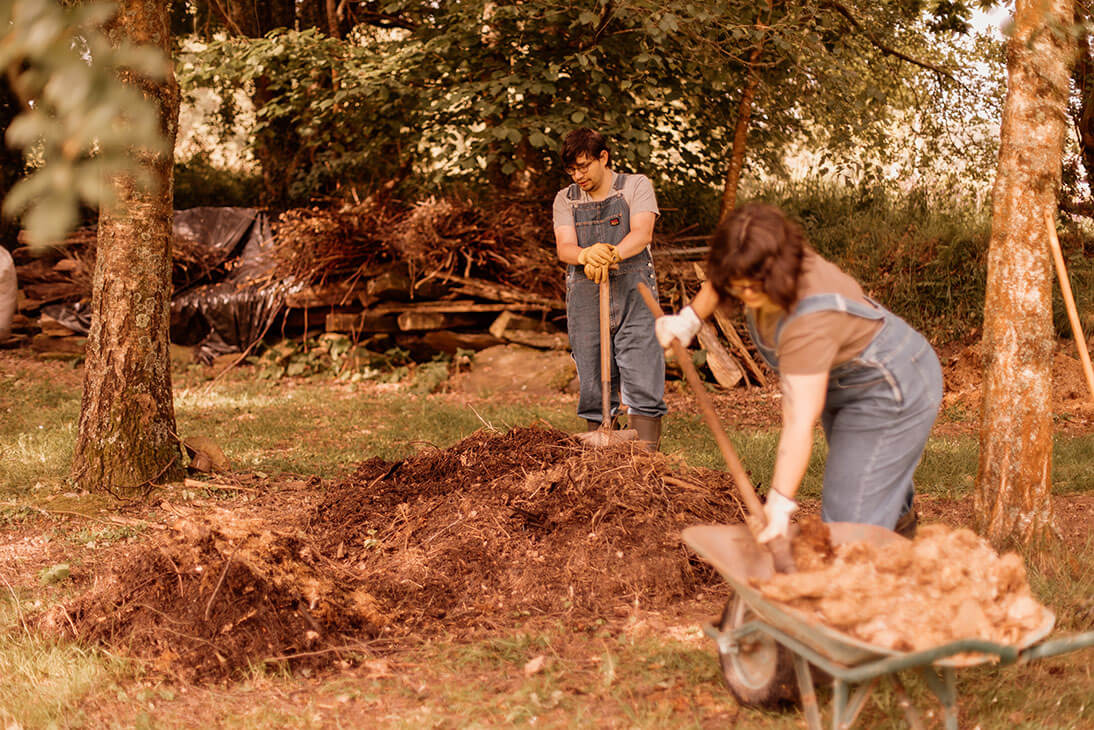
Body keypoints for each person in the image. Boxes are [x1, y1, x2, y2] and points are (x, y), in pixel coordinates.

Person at [655, 203, 941, 540]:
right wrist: (689, 320)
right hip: (846, 380)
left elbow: (798, 423)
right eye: (738, 285)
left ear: (779, 269)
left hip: (889, 385)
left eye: (754, 286)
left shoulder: (809, 318)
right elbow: (721, 279)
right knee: (872, 486)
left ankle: (852, 579)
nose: (746, 294)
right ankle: (897, 554)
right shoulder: (757, 259)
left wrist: (779, 502)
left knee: (849, 515)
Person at [553, 128, 666, 449]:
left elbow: (642, 233)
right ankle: (600, 456)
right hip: (587, 295)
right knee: (592, 373)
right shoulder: (566, 199)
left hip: (635, 293)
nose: (578, 176)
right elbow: (565, 247)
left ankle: (646, 459)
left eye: (584, 166)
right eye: (572, 170)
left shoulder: (635, 186)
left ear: (604, 158)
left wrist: (611, 253)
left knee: (643, 367)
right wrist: (586, 254)